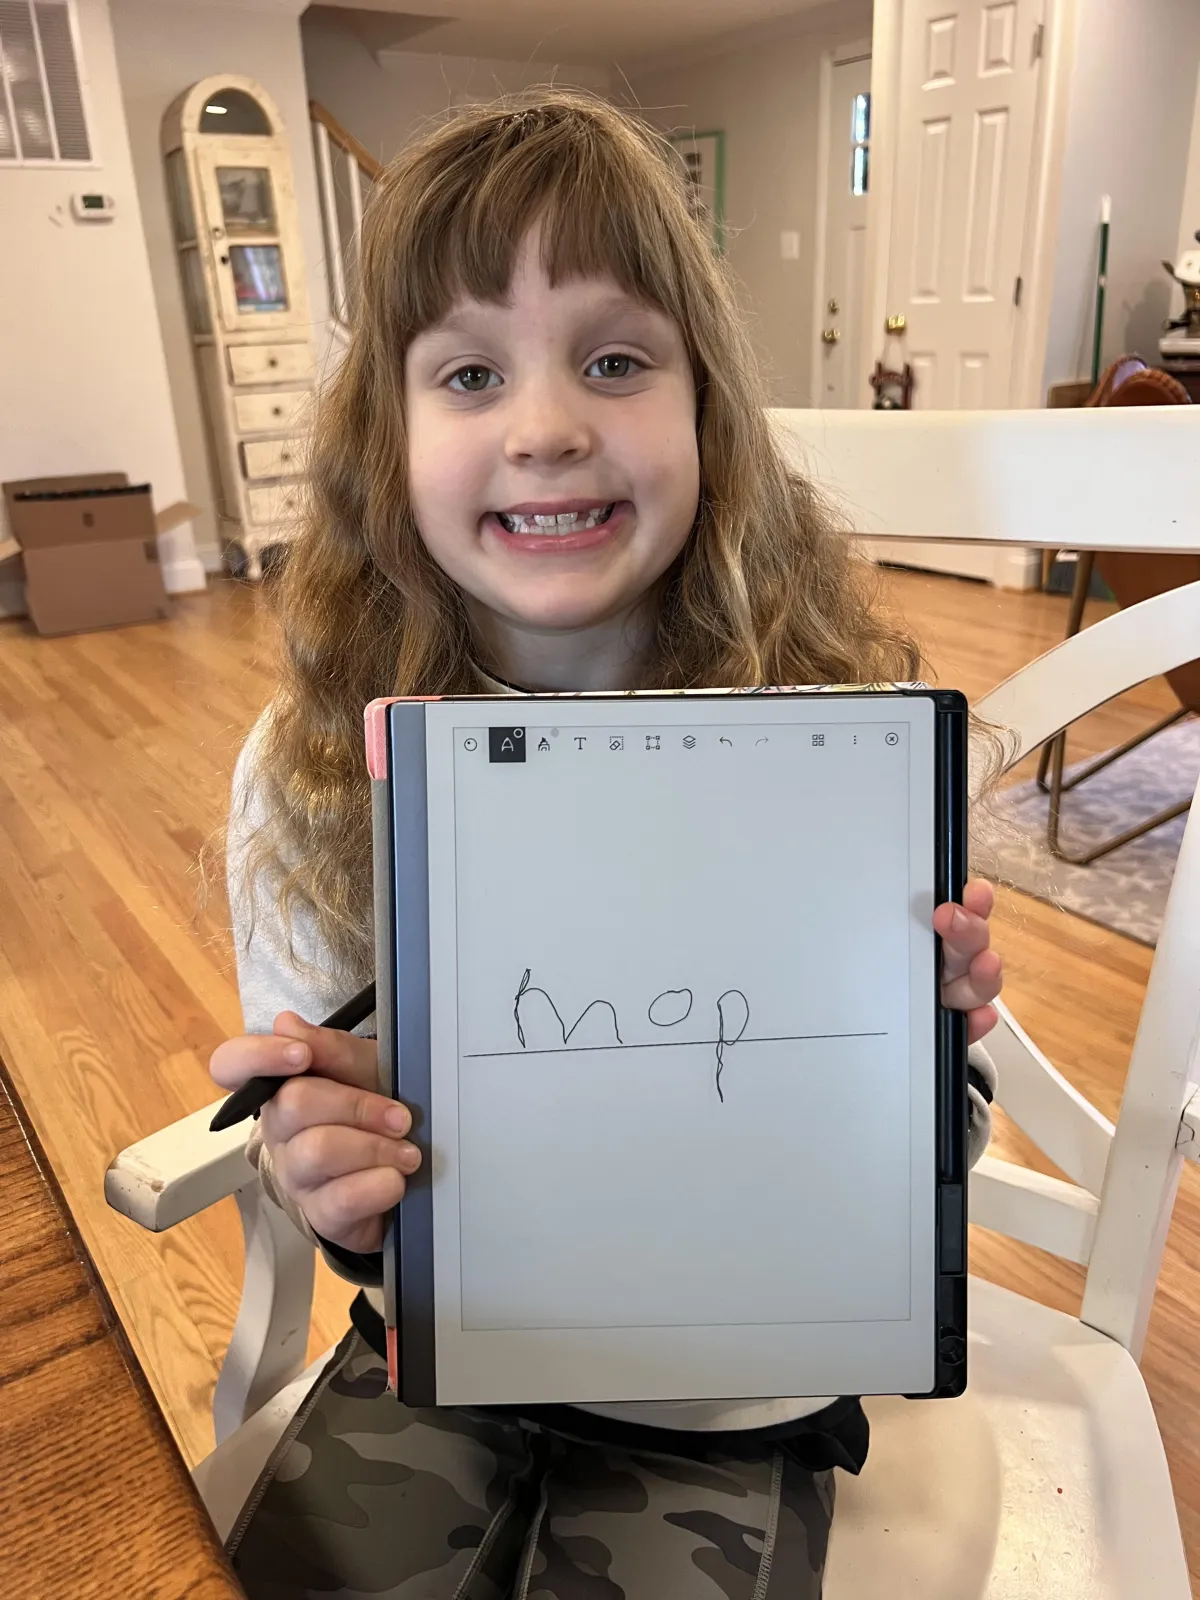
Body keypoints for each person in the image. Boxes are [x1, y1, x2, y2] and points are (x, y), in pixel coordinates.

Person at [208, 87, 1003, 1599]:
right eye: (466, 373)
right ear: (386, 435)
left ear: (707, 406)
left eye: (618, 360)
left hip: (729, 1395)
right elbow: (319, 1167)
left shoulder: (841, 746)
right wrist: (327, 1169)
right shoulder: (312, 773)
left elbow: (941, 1154)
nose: (550, 425)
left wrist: (928, 1054)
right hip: (432, 1353)